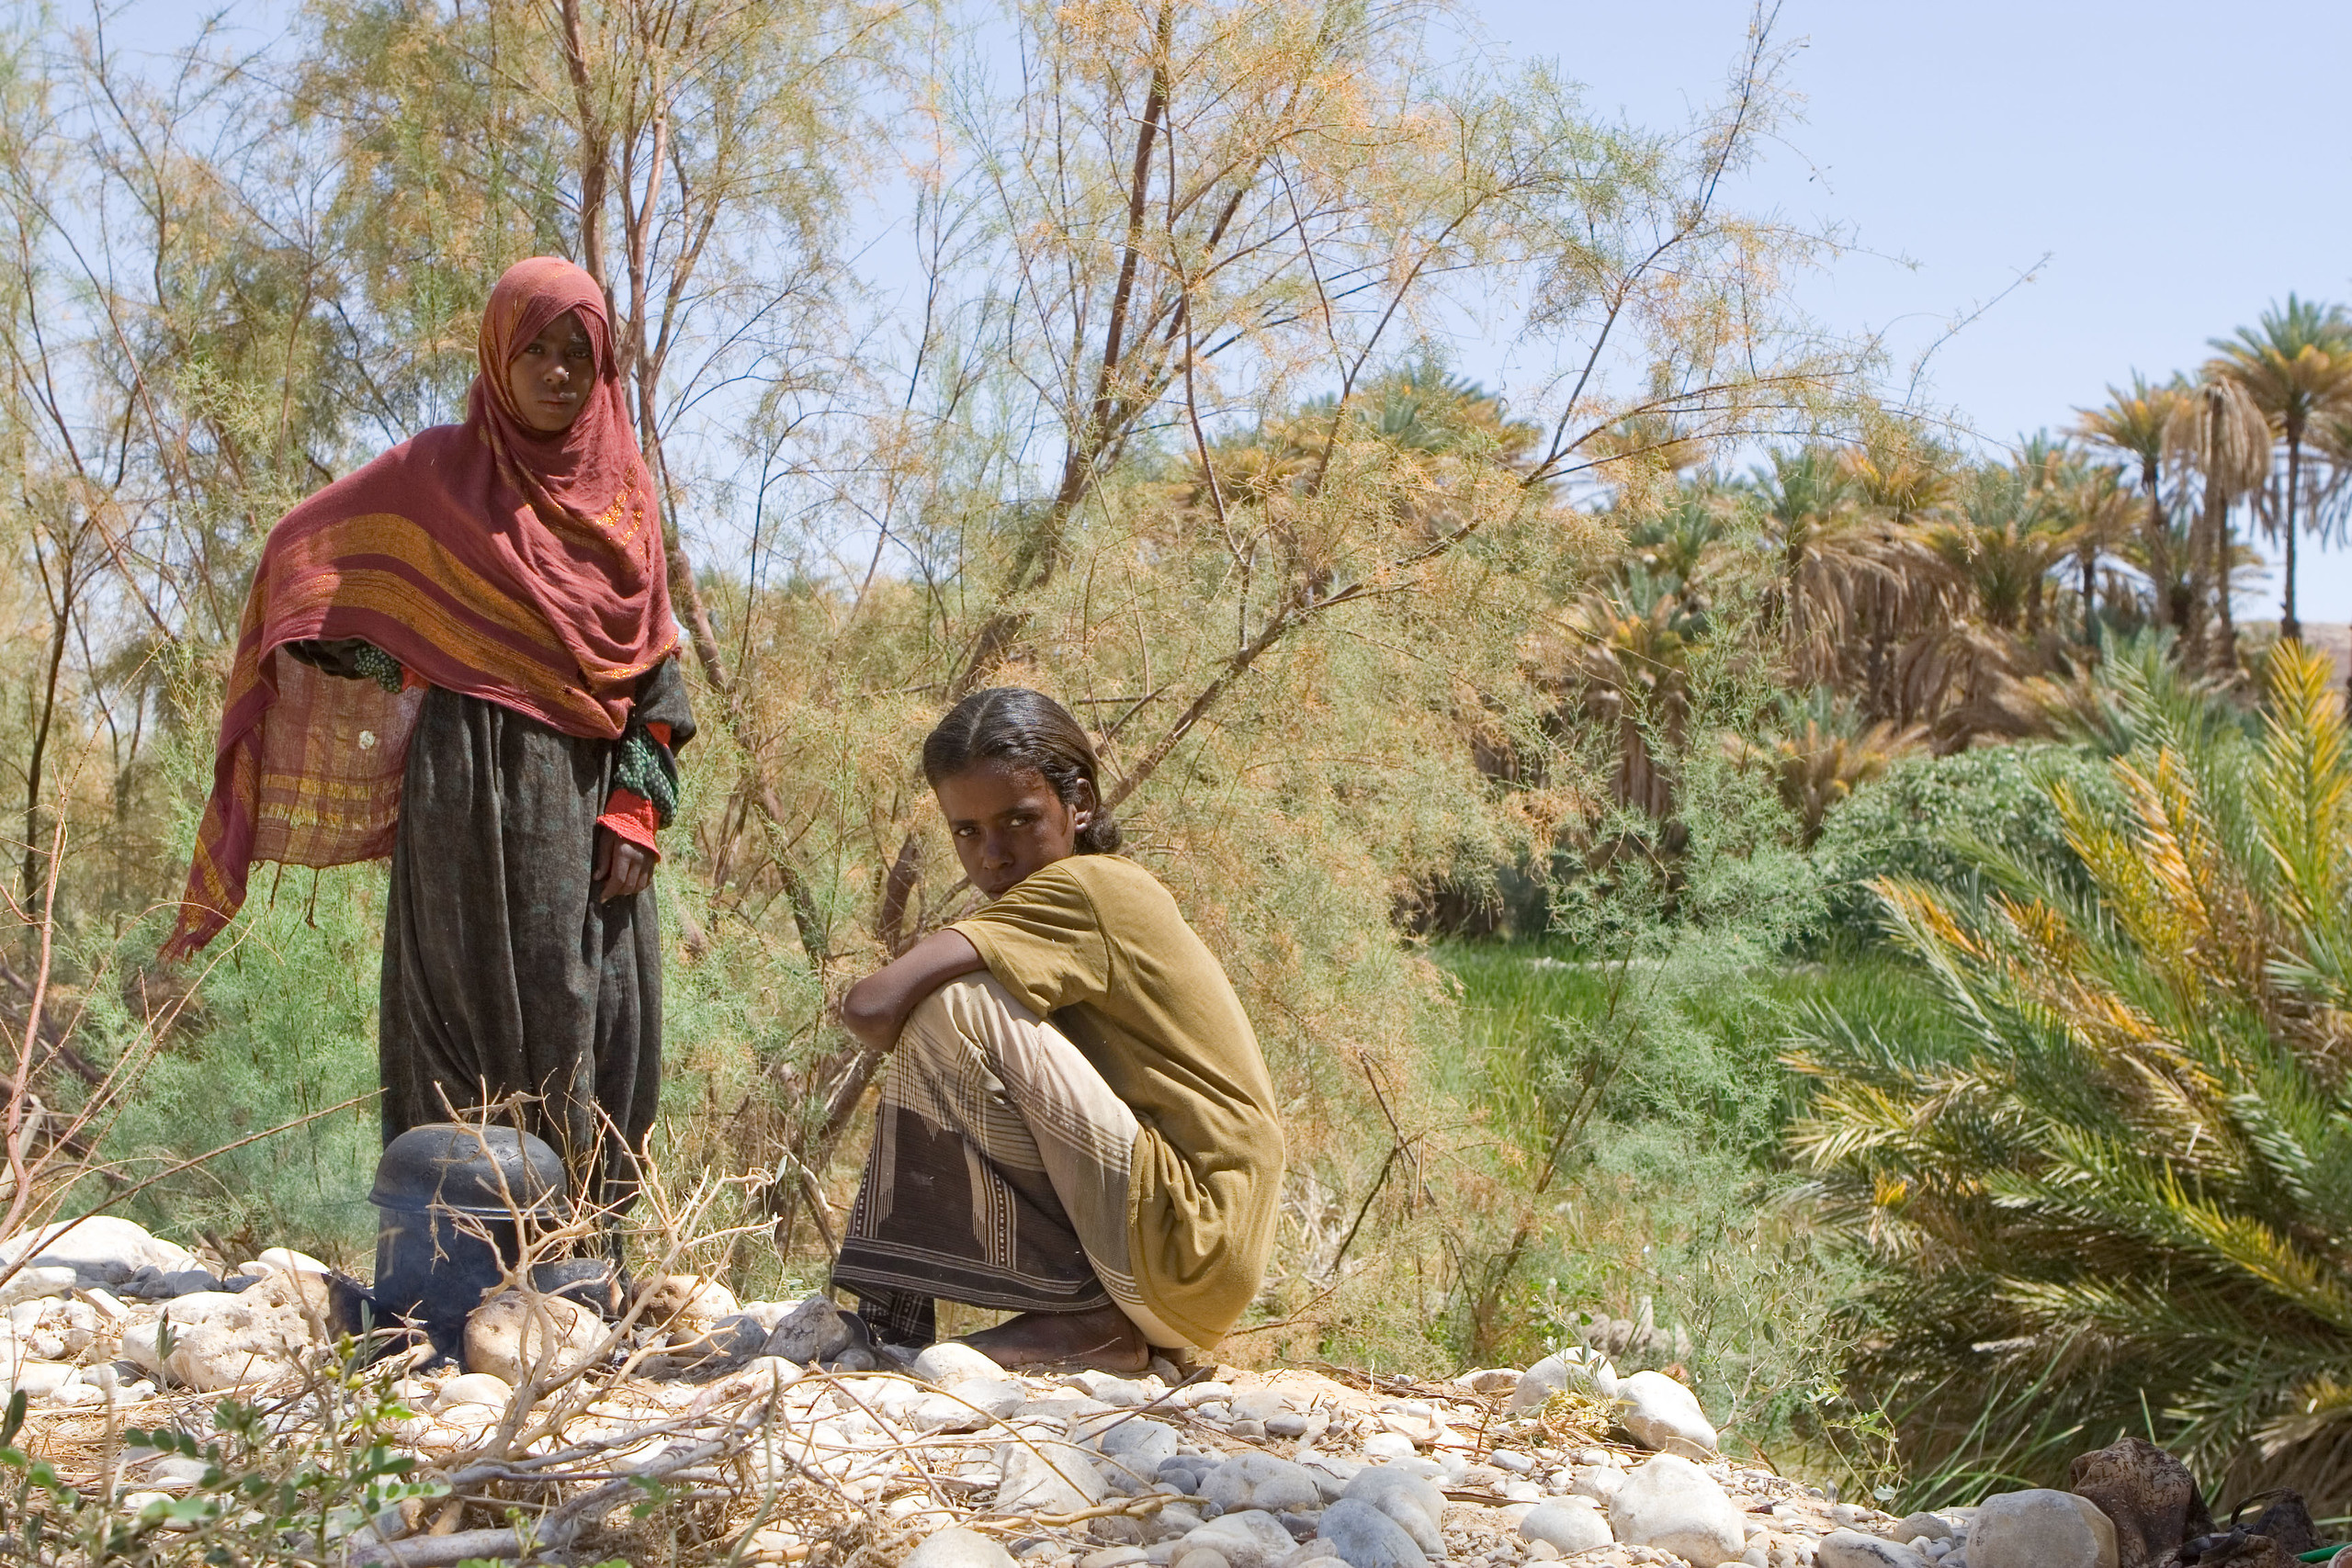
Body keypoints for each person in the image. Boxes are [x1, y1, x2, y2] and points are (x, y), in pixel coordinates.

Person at [164, 255, 694, 1214]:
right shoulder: (432, 475)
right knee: (453, 1008)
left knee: (595, 1011)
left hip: (581, 806)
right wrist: (409, 660)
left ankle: (576, 1265)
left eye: (578, 351)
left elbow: (655, 676)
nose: (557, 370)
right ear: (498, 354)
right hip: (456, 795)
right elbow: (306, 559)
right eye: (534, 348)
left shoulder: (626, 503)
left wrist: (636, 811)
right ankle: (451, 1260)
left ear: (604, 365)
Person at [831, 687, 1283, 1371]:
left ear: (1081, 805)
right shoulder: (1079, 891)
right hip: (1195, 1255)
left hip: (1191, 1240)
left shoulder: (1084, 889)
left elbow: (871, 1005)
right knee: (964, 1000)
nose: (993, 855)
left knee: (953, 1008)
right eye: (966, 831)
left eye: (1018, 820)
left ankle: (1086, 1320)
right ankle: (1083, 1313)